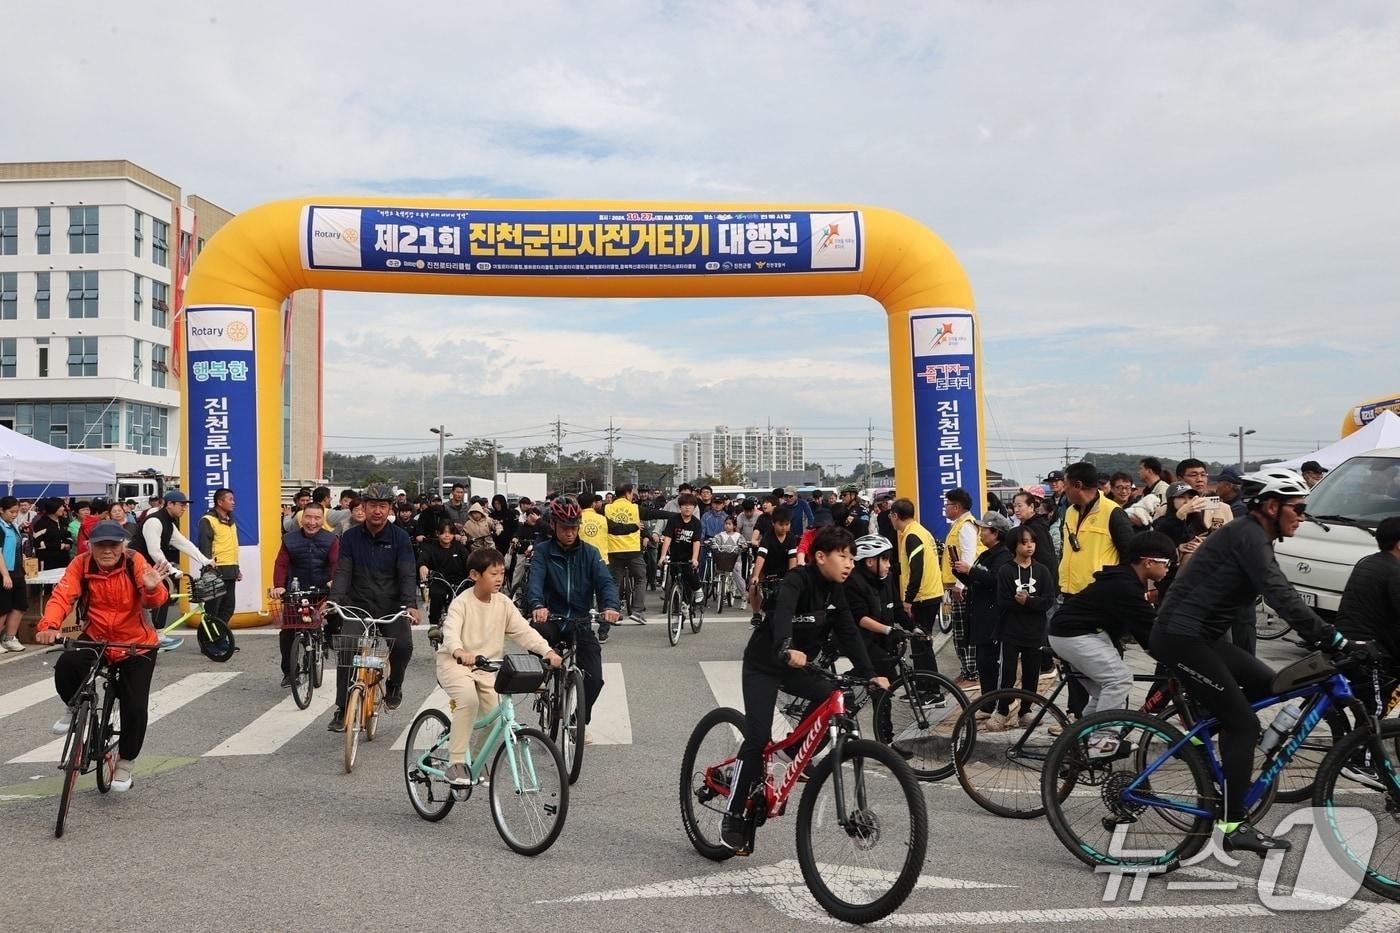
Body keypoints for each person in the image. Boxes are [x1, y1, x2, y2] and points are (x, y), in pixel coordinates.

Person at [1150, 469, 1370, 854]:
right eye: (1298, 508)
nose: (1303, 517)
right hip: (1181, 638)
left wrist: (1329, 637)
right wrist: (1332, 637)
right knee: (1244, 723)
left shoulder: (1257, 536)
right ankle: (1234, 824)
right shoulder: (1249, 535)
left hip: (1205, 638)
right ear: (1271, 506)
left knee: (1272, 684)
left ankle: (1222, 757)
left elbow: (1281, 592)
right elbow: (1281, 595)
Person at [721, 526, 888, 853]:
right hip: (765, 665)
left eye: (853, 558)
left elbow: (849, 632)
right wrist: (785, 645)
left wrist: (871, 673)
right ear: (821, 556)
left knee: (834, 699)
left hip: (800, 668)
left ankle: (792, 753)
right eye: (843, 556)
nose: (850, 564)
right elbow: (782, 611)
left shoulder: (835, 591)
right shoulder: (797, 580)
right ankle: (734, 813)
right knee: (757, 738)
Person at [33, 521, 171, 793]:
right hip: (96, 637)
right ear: (90, 547)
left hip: (136, 643)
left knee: (134, 705)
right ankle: (74, 706)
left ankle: (125, 765)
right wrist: (49, 625)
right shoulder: (81, 564)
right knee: (67, 664)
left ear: (123, 546)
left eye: (113, 545)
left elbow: (154, 600)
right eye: (101, 545)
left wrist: (153, 588)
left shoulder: (134, 562)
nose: (107, 550)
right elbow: (63, 595)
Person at [439, 548, 563, 786]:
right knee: (468, 700)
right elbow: (451, 632)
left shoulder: (504, 603)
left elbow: (523, 631)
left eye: (502, 573)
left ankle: (475, 759)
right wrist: (459, 651)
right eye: (493, 574)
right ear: (475, 575)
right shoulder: (461, 603)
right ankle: (456, 762)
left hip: (487, 667)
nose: (499, 579)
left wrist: (546, 650)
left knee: (496, 718)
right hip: (455, 663)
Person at [1047, 532, 1175, 750]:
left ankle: (1074, 745)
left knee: (1102, 696)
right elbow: (1150, 628)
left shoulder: (1129, 580)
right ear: (1149, 562)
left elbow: (1145, 632)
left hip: (1077, 633)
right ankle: (1101, 741)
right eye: (1167, 563)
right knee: (1119, 680)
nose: (1168, 569)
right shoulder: (1125, 586)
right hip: (1073, 634)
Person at [327, 483, 420, 730]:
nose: (377, 511)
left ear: (390, 508)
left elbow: (407, 574)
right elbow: (343, 571)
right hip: (358, 605)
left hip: (391, 606)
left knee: (403, 645)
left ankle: (395, 685)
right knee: (347, 645)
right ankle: (342, 708)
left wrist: (410, 604)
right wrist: (334, 600)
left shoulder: (400, 538)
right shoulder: (350, 537)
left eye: (382, 506)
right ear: (363, 507)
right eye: (372, 505)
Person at [527, 498, 621, 727]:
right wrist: (538, 605)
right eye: (564, 527)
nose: (570, 532)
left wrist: (610, 606)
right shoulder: (542, 552)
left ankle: (579, 721)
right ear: (553, 526)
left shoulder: (590, 553)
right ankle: (542, 682)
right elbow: (535, 582)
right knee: (536, 633)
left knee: (595, 679)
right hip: (551, 619)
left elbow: (605, 582)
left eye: (573, 527)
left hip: (580, 622)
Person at [988, 524, 1056, 730]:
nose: (1029, 546)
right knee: (1008, 672)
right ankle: (1002, 710)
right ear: (1013, 545)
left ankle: (1026, 710)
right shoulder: (1006, 570)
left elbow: (1048, 600)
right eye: (1024, 543)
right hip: (1011, 630)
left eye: (1031, 542)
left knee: (1031, 672)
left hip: (1035, 631)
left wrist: (1027, 602)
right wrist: (1024, 603)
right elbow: (1003, 600)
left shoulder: (1042, 571)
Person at [132, 489, 213, 650]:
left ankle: (154, 634)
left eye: (185, 506)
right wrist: (171, 570)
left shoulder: (169, 522)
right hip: (135, 565)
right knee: (160, 594)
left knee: (161, 596)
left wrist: (205, 560)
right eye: (181, 505)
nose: (184, 509)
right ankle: (156, 635)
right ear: (170, 504)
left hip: (150, 567)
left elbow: (183, 543)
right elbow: (154, 550)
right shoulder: (154, 521)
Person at [270, 501, 339, 685]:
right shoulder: (289, 539)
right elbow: (281, 564)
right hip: (296, 591)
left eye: (317, 518)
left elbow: (335, 564)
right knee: (287, 632)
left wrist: (334, 581)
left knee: (333, 618)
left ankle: (324, 643)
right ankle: (289, 671)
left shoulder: (331, 540)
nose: (312, 522)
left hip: (321, 590)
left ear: (322, 520)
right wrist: (279, 586)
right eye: (308, 517)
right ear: (302, 518)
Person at [1335, 516, 1400, 710]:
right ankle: (1364, 739)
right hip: (1371, 654)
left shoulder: (1367, 562)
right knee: (1374, 715)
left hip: (1349, 644)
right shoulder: (1395, 571)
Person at [954, 513, 1013, 707]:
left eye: (984, 530)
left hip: (993, 619)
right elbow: (976, 581)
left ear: (996, 533)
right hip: (980, 616)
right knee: (983, 663)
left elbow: (996, 580)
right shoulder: (986, 554)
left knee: (990, 663)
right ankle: (987, 703)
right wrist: (960, 572)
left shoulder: (1004, 555)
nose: (980, 534)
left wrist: (970, 570)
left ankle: (995, 704)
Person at [888, 496, 946, 678]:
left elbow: (917, 569)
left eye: (891, 515)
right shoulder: (919, 531)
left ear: (895, 515)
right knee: (920, 642)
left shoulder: (912, 535)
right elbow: (909, 566)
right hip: (930, 592)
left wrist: (908, 599)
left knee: (921, 642)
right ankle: (924, 686)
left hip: (924, 596)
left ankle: (931, 690)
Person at [941, 488, 982, 687]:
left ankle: (971, 673)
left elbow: (969, 556)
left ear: (956, 507)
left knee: (964, 631)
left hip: (963, 587)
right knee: (959, 631)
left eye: (947, 504)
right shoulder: (959, 524)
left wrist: (960, 585)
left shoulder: (966, 526)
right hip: (959, 585)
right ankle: (967, 670)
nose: (945, 508)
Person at [197, 488, 243, 630]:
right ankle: (209, 642)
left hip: (231, 570)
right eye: (230, 499)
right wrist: (209, 570)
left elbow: (232, 547)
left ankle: (221, 638)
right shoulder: (208, 520)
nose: (233, 502)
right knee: (213, 610)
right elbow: (204, 548)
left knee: (228, 608)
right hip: (215, 571)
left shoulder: (231, 521)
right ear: (219, 502)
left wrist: (237, 568)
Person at [603, 483, 646, 636]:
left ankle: (613, 611)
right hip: (633, 550)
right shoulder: (635, 508)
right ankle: (637, 611)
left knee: (614, 582)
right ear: (628, 493)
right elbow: (653, 513)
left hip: (614, 551)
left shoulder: (606, 508)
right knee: (641, 579)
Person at [749, 505, 798, 623]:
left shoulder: (791, 538)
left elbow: (792, 559)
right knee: (753, 586)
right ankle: (756, 614)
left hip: (784, 570)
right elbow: (761, 557)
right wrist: (756, 576)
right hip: (766, 569)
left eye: (787, 524)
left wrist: (792, 576)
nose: (784, 528)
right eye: (781, 525)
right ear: (773, 524)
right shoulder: (767, 537)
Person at [660, 494, 705, 607]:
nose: (687, 508)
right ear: (680, 507)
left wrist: (694, 558)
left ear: (694, 508)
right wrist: (662, 556)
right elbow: (668, 538)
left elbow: (696, 541)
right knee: (674, 576)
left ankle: (698, 589)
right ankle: (680, 605)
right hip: (675, 554)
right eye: (684, 505)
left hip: (690, 555)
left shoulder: (696, 523)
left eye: (690, 505)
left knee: (689, 572)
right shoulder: (673, 520)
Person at [0, 496, 29, 651]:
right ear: (1, 510)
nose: (14, 514)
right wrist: (5, 574)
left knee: (20, 605)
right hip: (4, 572)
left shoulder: (13, 526)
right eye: (11, 512)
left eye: (16, 512)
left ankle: (10, 638)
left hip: (18, 571)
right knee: (3, 608)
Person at [32, 497, 72, 572]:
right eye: (61, 506)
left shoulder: (63, 521)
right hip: (47, 560)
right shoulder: (41, 523)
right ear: (53, 507)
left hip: (63, 558)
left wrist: (68, 544)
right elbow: (37, 543)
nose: (63, 508)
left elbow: (68, 535)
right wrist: (58, 545)